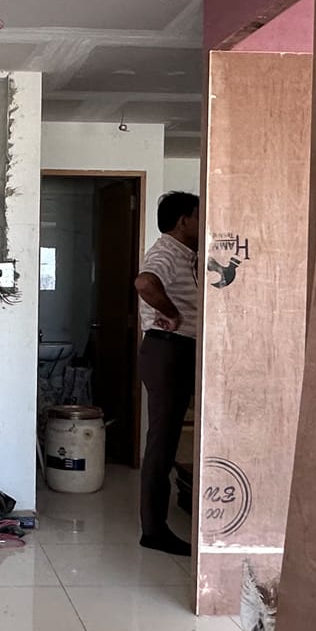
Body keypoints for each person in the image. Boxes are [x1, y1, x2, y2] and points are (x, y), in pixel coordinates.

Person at [134, 192, 200, 555]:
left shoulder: (187, 255)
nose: (204, 222)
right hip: (168, 350)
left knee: (168, 439)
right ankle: (154, 531)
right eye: (199, 215)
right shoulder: (167, 252)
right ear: (183, 221)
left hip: (179, 350)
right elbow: (144, 283)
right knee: (162, 442)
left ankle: (159, 524)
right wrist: (172, 313)